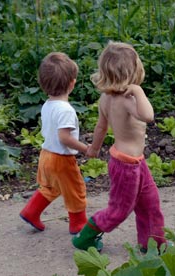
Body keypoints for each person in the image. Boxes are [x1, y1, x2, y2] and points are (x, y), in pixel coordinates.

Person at [72, 42, 166, 252]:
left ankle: (153, 244)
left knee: (150, 203)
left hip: (135, 163)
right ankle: (85, 238)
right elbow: (148, 115)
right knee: (118, 211)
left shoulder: (106, 98)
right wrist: (139, 91)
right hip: (126, 167)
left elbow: (100, 127)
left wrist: (94, 149)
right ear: (132, 72)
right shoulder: (127, 99)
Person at [20, 52, 89, 235]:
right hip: (61, 159)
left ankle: (31, 212)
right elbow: (64, 138)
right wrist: (85, 148)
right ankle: (78, 225)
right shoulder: (65, 110)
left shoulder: (47, 105)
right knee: (76, 190)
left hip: (46, 155)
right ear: (72, 83)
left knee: (51, 187)